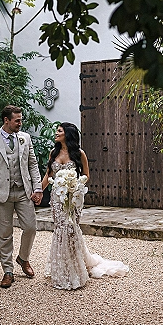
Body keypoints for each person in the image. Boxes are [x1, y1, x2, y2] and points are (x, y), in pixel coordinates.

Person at [41, 122, 129, 290]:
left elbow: (86, 175)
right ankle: (61, 268)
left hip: (73, 198)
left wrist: (73, 184)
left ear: (67, 134)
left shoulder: (79, 154)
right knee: (60, 229)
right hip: (57, 199)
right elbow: (49, 174)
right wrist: (38, 191)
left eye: (59, 131)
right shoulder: (54, 152)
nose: (56, 133)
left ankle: (74, 269)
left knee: (71, 228)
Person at [0, 105, 43, 289]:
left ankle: (23, 259)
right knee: (5, 234)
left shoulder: (25, 138)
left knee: (31, 227)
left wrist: (37, 188)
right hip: (1, 193)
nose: (20, 123)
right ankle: (8, 271)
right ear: (6, 120)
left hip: (23, 191)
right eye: (17, 120)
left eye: (21, 119)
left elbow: (33, 165)